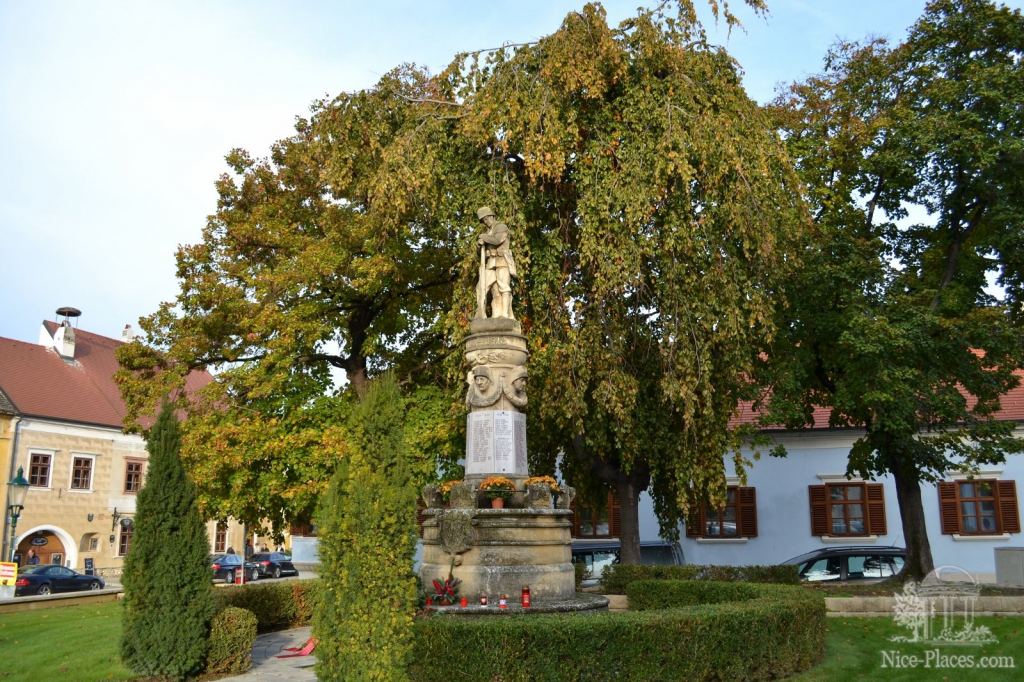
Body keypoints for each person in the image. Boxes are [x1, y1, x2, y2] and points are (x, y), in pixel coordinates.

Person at [476, 207, 517, 319]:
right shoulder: (487, 232)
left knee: (503, 287)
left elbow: (497, 240)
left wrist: (483, 237)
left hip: (502, 261)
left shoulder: (501, 227)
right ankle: (493, 315)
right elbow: (480, 253)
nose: (486, 222)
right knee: (485, 288)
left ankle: (505, 315)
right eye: (483, 220)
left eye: (486, 219)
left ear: (492, 216)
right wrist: (479, 246)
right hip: (490, 263)